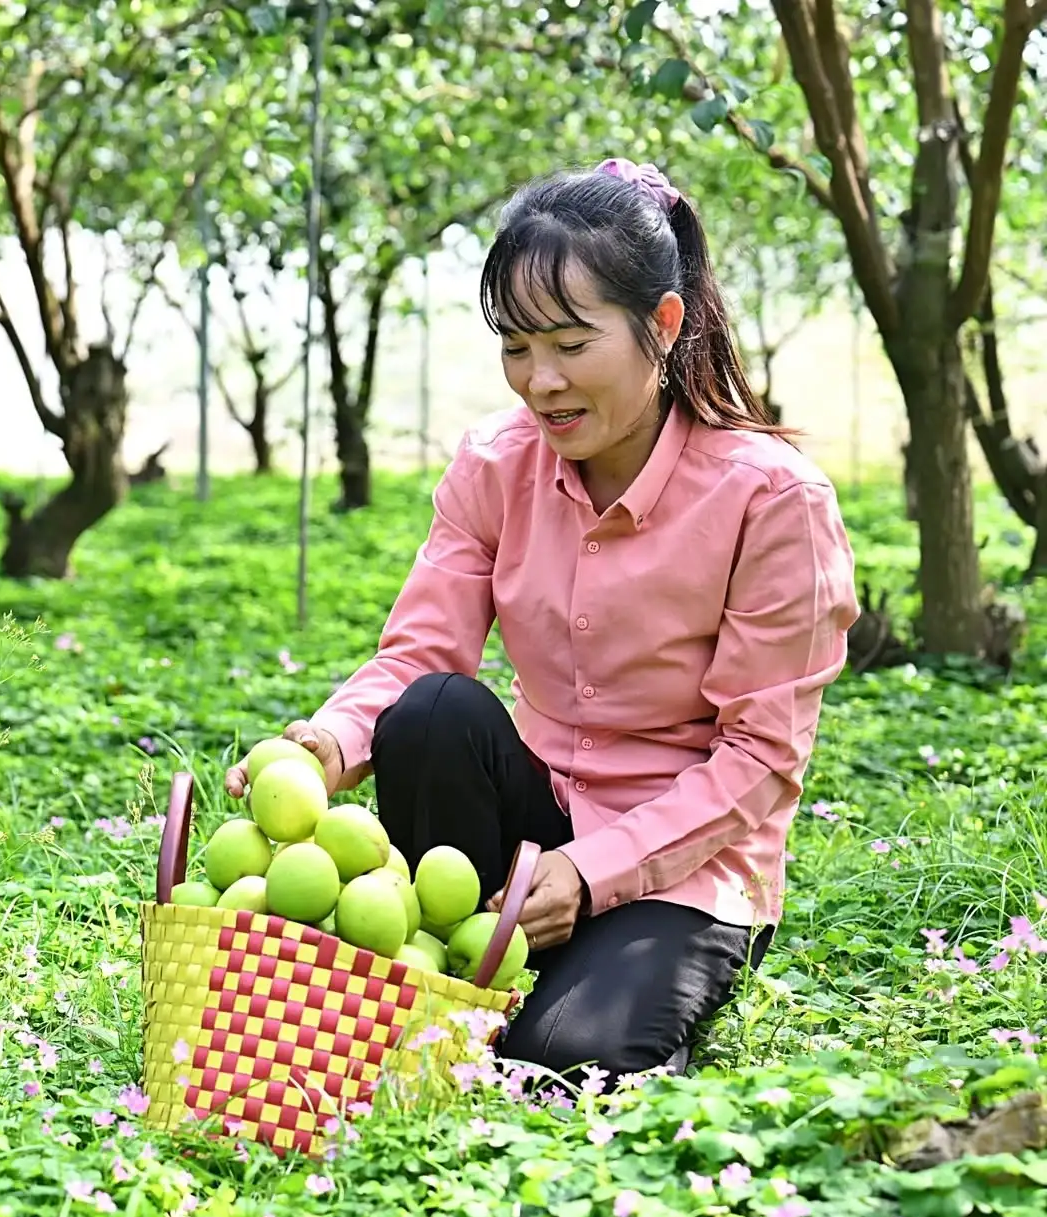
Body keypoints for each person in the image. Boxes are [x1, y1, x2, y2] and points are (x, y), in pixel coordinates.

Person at [225, 158, 859, 1078]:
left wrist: (592, 873)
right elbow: (421, 650)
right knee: (437, 710)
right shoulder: (497, 462)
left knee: (557, 1065)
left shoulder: (770, 500)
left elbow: (759, 759)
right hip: (526, 827)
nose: (540, 381)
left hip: (676, 867)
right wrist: (331, 742)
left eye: (569, 343)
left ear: (663, 325)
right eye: (517, 346)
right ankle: (467, 955)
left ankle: (592, 988)